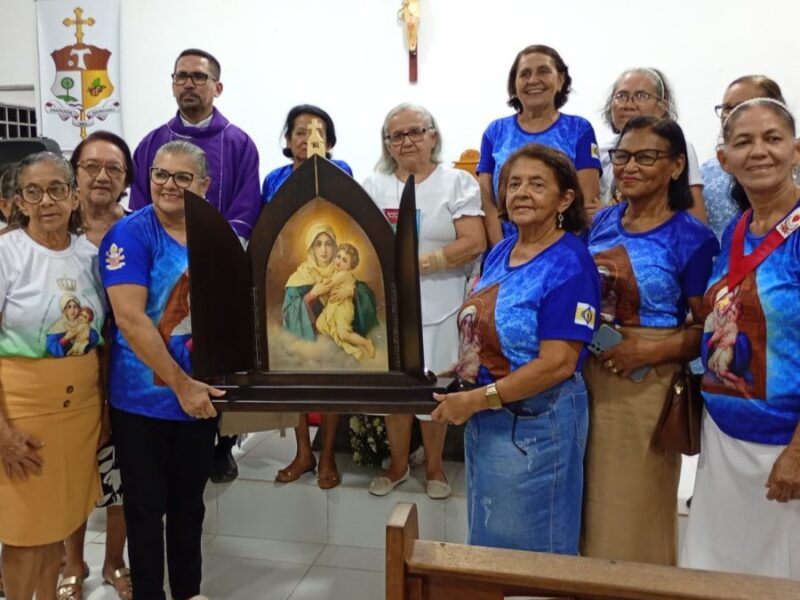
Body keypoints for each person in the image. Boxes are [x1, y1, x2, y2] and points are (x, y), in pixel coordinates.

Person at [431, 143, 599, 553]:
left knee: (533, 552)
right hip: (489, 418)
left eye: (537, 184)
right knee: (492, 542)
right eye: (514, 183)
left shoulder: (570, 264)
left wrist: (478, 399)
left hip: (537, 425)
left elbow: (557, 364)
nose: (521, 193)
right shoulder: (504, 249)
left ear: (565, 198)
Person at [582, 117, 719, 565]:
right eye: (621, 156)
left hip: (646, 384)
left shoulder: (693, 238)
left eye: (646, 157)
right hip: (586, 375)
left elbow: (712, 328)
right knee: (583, 501)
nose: (629, 166)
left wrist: (651, 350)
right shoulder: (602, 223)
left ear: (677, 166)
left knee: (630, 507)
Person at [680, 99, 800, 578]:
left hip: (783, 447)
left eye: (772, 138)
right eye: (743, 142)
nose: (759, 152)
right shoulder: (735, 230)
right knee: (716, 574)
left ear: (796, 149)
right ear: (723, 157)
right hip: (725, 439)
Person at [128, 48, 260, 483]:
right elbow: (143, 206)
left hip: (217, 266)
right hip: (162, 271)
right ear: (172, 83)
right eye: (181, 76)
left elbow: (246, 205)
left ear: (216, 87)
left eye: (198, 78)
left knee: (217, 352)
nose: (189, 84)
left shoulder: (239, 142)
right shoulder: (152, 142)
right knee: (165, 340)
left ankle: (219, 445)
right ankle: (160, 431)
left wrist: (216, 253)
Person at [99, 140, 224, 599]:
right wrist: (182, 385)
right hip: (143, 402)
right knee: (146, 511)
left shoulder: (215, 234)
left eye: (182, 177)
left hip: (199, 399)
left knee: (189, 508)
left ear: (204, 186)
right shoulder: (130, 235)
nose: (168, 185)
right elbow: (131, 319)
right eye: (160, 174)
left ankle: (188, 592)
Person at [364, 103, 485, 499]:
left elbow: (474, 241)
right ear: (387, 144)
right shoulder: (374, 186)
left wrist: (424, 262)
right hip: (388, 309)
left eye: (416, 131)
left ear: (433, 136)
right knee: (393, 392)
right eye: (396, 135)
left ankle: (434, 466)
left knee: (434, 390)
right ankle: (399, 464)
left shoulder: (456, 184)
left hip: (441, 304)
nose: (407, 141)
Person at [0, 152, 105, 599]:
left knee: (59, 530)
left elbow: (103, 340)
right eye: (33, 191)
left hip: (80, 411)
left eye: (57, 189)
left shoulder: (90, 256)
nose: (47, 201)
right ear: (19, 201)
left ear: (75, 195)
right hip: (23, 413)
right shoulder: (7, 253)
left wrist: (104, 412)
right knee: (25, 536)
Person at [61, 130, 135, 599]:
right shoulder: (52, 233)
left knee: (119, 477)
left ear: (126, 178)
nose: (102, 177)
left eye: (113, 168)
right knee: (71, 475)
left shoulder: (136, 230)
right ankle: (73, 564)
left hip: (126, 371)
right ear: (75, 174)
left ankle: (113, 562)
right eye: (92, 167)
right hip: (68, 376)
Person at [277, 225, 377, 488]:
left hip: (332, 346)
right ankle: (303, 454)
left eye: (329, 244)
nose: (324, 249)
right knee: (296, 381)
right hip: (304, 343)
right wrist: (311, 296)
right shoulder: (300, 276)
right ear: (310, 248)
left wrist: (353, 293)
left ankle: (327, 456)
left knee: (331, 381)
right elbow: (289, 310)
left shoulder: (343, 274)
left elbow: (367, 299)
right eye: (318, 243)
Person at [477, 45, 602, 245]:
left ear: (561, 80)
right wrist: (501, 252)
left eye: (543, 71)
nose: (533, 80)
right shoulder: (495, 131)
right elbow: (487, 203)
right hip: (504, 247)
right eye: (525, 74)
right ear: (513, 86)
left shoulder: (579, 129)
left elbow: (585, 204)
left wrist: (550, 256)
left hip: (562, 249)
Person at [599, 68, 707, 223]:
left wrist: (607, 216)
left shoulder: (678, 147)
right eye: (621, 96)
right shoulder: (601, 152)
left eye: (641, 96)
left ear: (663, 106)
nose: (628, 104)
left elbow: (696, 219)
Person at [702, 76, 785, 239]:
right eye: (727, 108)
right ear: (724, 160)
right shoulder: (707, 174)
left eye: (743, 107)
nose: (732, 115)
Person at [262, 104, 352, 203]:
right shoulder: (274, 179)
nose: (308, 140)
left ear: (328, 144)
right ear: (288, 140)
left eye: (317, 133)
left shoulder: (340, 170)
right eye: (300, 133)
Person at [315, 243, 376, 360]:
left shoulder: (344, 274)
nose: (339, 261)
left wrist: (317, 277)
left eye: (344, 260)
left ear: (349, 266)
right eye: (338, 256)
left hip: (343, 308)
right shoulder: (336, 272)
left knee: (343, 333)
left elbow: (328, 284)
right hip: (332, 307)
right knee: (320, 325)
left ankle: (366, 343)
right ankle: (352, 349)